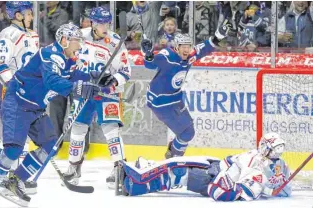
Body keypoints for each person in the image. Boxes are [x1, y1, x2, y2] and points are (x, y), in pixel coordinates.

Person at [0, 23, 105, 208]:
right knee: (13, 149)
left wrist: (96, 76)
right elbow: (52, 81)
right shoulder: (50, 55)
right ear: (64, 41)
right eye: (76, 41)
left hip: (35, 108)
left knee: (50, 144)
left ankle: (15, 181)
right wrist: (79, 88)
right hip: (17, 103)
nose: (80, 45)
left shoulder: (68, 58)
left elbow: (74, 74)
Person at [140, 20, 235, 159]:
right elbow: (150, 64)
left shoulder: (190, 56)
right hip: (160, 102)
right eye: (183, 46)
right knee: (187, 133)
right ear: (176, 47)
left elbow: (205, 47)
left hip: (175, 98)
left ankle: (172, 153)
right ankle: (173, 159)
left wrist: (219, 35)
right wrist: (147, 52)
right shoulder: (167, 56)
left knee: (188, 131)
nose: (186, 49)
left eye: (188, 46)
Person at [63, 6, 131, 189]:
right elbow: (68, 57)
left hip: (106, 92)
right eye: (100, 23)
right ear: (92, 22)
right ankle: (73, 167)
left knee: (110, 129)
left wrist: (112, 80)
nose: (104, 26)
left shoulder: (115, 41)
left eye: (107, 22)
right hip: (83, 89)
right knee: (77, 128)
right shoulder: (80, 36)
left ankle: (119, 168)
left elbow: (126, 71)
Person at [115, 132, 291, 201]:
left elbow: (239, 190)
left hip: (214, 178)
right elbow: (284, 188)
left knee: (180, 173)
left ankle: (135, 185)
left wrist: (229, 186)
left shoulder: (261, 169)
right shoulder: (265, 159)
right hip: (217, 166)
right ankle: (149, 166)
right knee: (182, 162)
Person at [0, 1, 39, 194]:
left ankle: (16, 178)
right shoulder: (8, 35)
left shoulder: (32, 35)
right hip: (9, 90)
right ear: (17, 15)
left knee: (23, 134)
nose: (31, 17)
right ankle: (4, 177)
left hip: (29, 92)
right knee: (13, 135)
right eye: (28, 13)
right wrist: (13, 84)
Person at [208, 132, 291, 201]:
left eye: (280, 148)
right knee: (209, 186)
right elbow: (245, 187)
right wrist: (267, 190)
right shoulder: (253, 159)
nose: (278, 152)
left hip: (234, 177)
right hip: (219, 170)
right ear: (266, 147)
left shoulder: (281, 164)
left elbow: (286, 190)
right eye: (276, 148)